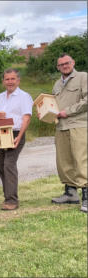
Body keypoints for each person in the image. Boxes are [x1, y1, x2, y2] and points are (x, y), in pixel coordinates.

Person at [0, 68, 33, 210]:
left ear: (18, 80)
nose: (10, 82)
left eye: (12, 79)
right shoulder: (0, 97)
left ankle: (12, 201)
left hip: (15, 133)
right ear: (3, 81)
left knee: (9, 165)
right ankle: (7, 197)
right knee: (2, 166)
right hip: (2, 133)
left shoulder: (24, 96)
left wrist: (19, 137)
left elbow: (27, 118)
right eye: (7, 79)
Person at [49, 54, 87, 213]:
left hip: (78, 125)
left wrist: (68, 112)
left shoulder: (83, 77)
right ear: (58, 67)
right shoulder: (57, 84)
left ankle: (86, 196)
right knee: (64, 161)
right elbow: (52, 105)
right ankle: (71, 194)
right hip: (61, 127)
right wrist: (47, 113)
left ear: (73, 63)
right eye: (61, 64)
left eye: (67, 63)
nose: (65, 66)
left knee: (81, 159)